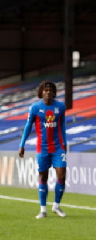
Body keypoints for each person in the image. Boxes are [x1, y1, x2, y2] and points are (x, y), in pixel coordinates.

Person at [18, 80, 67, 219]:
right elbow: (28, 127)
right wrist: (22, 145)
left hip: (58, 147)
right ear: (41, 93)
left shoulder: (60, 107)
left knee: (62, 175)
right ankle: (43, 209)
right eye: (45, 90)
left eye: (51, 90)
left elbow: (62, 126)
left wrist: (65, 144)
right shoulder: (35, 108)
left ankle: (56, 205)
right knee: (43, 176)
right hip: (42, 148)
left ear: (54, 93)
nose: (48, 92)